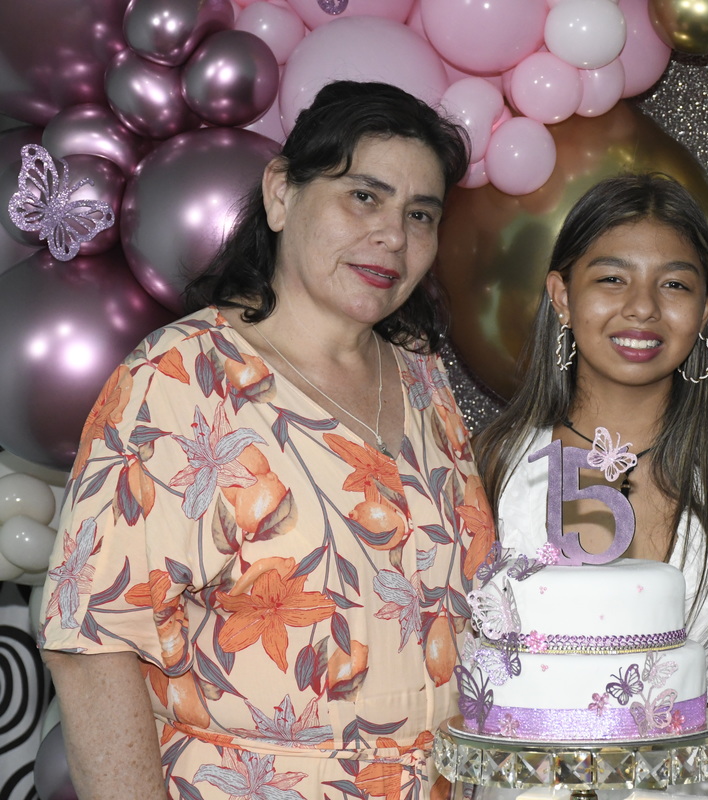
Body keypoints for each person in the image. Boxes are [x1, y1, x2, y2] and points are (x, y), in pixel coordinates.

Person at [38, 81, 491, 800]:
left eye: (420, 214)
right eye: (363, 197)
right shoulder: (181, 379)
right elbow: (93, 647)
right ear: (281, 194)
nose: (393, 237)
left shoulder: (420, 374)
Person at [472, 173, 708, 725]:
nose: (642, 307)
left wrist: (678, 715)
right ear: (562, 296)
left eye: (675, 285)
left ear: (707, 308)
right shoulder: (492, 461)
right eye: (612, 279)